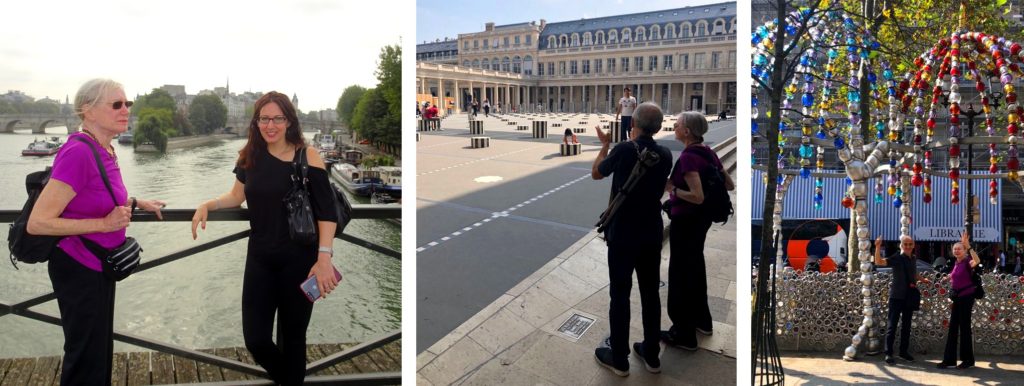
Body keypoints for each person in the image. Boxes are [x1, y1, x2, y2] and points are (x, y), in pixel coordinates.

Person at [191, 91, 340, 385]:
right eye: (264, 119)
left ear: (289, 121)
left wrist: (324, 258)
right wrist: (208, 204)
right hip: (260, 259)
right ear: (256, 122)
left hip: (300, 262)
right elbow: (236, 196)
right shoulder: (250, 156)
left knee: (294, 338)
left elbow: (327, 212)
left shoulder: (307, 156)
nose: (270, 125)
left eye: (277, 118)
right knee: (256, 339)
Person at [27, 78, 166, 385]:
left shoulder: (105, 149)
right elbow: (38, 222)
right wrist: (104, 225)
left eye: (127, 104)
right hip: (78, 268)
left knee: (100, 351)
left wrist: (134, 202)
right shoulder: (78, 153)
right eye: (116, 104)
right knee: (85, 358)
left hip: (99, 267)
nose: (126, 110)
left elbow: (95, 195)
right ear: (88, 110)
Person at [591, 102, 672, 376]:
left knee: (620, 294)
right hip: (651, 231)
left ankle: (620, 357)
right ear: (659, 127)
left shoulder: (625, 149)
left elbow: (597, 173)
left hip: (623, 232)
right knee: (650, 293)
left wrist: (604, 145)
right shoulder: (665, 154)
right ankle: (651, 354)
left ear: (632, 125)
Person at [662, 111, 736, 350]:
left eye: (678, 124)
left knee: (680, 275)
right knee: (695, 269)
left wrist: (672, 190)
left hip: (687, 222)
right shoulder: (709, 153)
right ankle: (703, 322)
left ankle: (684, 334)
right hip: (702, 223)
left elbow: (697, 196)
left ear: (687, 131)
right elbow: (729, 184)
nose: (674, 126)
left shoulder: (688, 158)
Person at [874, 234, 931, 365]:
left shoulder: (913, 258)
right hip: (896, 296)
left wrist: (923, 279)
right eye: (905, 244)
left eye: (910, 244)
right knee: (892, 326)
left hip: (909, 296)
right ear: (901, 245)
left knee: (906, 326)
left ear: (914, 245)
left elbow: (913, 273)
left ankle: (903, 352)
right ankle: (888, 353)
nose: (908, 246)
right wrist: (877, 247)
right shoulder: (897, 258)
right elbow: (879, 262)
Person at [937, 231, 980, 369]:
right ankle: (949, 360)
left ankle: (968, 360)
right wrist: (947, 278)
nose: (956, 251)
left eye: (959, 249)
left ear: (964, 251)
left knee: (965, 328)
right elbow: (954, 274)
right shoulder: (956, 263)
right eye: (954, 249)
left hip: (967, 298)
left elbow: (977, 261)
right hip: (957, 298)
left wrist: (969, 247)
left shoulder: (968, 261)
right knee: (953, 328)